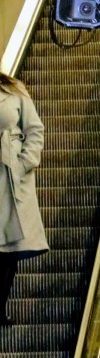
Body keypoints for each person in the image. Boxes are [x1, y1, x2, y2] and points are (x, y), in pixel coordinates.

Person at [0, 71, 48, 325]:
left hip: (11, 177)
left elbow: (34, 129)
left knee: (9, 248)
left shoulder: (14, 88)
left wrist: (23, 164)